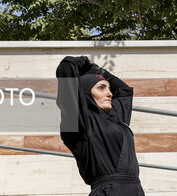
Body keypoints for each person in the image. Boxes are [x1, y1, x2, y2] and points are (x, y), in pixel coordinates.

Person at [56, 55, 145, 195]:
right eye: (101, 88)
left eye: (109, 89)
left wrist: (99, 71)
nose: (109, 93)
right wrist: (81, 63)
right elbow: (66, 68)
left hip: (135, 190)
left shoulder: (114, 118)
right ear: (86, 93)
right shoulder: (80, 122)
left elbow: (123, 91)